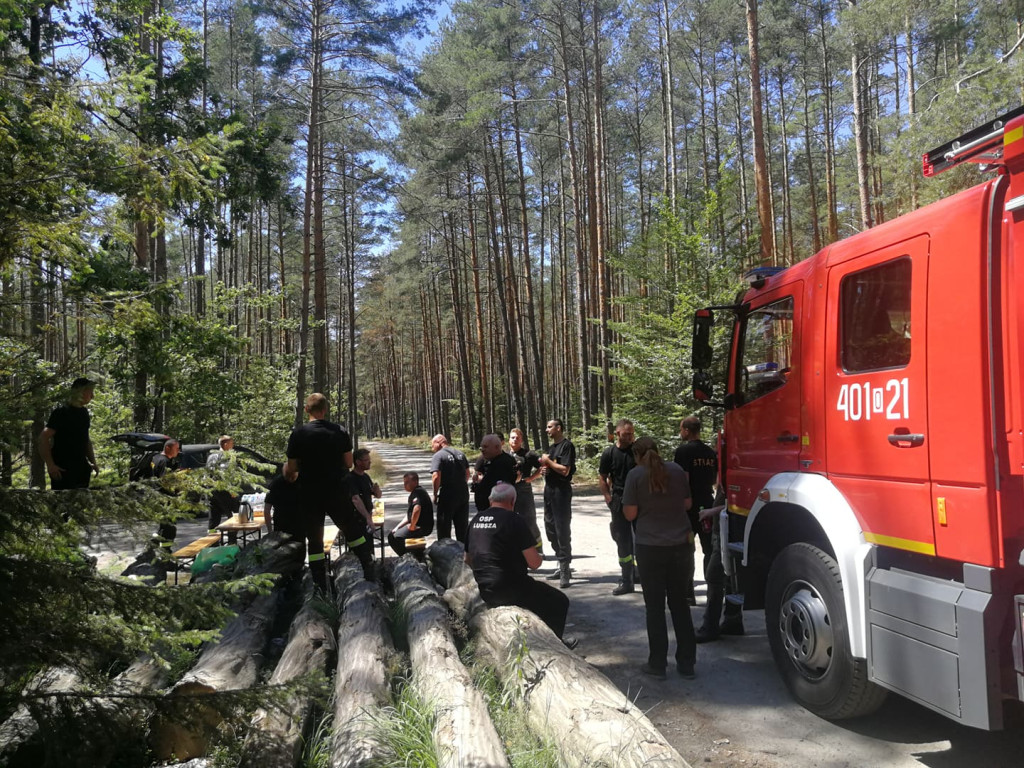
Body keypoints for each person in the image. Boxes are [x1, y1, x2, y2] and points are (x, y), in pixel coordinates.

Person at [466, 482, 576, 648]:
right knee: (559, 601)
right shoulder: (514, 519)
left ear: (490, 500)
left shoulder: (475, 520)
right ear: (512, 501)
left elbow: (467, 559)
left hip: (485, 589)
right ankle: (554, 646)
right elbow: (534, 563)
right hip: (512, 589)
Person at [622, 436, 697, 679]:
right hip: (680, 546)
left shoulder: (635, 475)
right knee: (680, 604)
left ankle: (657, 664)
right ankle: (687, 663)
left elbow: (630, 513)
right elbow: (687, 504)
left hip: (650, 546)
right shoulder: (676, 470)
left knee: (654, 608)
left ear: (636, 455)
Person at [285, 392, 354, 593]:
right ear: (325, 410)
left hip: (309, 494)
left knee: (315, 540)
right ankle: (367, 567)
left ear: (307, 410)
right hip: (336, 491)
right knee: (351, 530)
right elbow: (349, 462)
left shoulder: (298, 434)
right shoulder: (339, 431)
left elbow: (292, 468)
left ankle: (319, 585)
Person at [673, 415, 718, 604]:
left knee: (686, 550)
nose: (680, 432)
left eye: (681, 429)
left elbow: (683, 480)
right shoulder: (710, 452)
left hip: (690, 508)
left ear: (686, 430)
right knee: (709, 549)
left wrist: (680, 503)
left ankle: (687, 593)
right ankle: (712, 592)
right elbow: (716, 480)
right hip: (708, 504)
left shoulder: (683, 452)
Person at [695, 486, 745, 642]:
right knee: (730, 579)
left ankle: (709, 628)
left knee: (714, 576)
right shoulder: (724, 480)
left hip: (727, 534)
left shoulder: (730, 480)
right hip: (724, 532)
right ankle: (733, 621)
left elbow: (735, 503)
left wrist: (710, 512)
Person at [599, 419, 637, 596]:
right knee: (622, 540)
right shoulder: (609, 453)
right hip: (619, 499)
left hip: (639, 500)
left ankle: (642, 574)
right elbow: (602, 477)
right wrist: (608, 498)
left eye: (631, 434)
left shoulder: (638, 451)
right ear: (617, 433)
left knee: (642, 537)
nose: (629, 437)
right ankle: (627, 580)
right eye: (626, 434)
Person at [39, 377, 98, 490]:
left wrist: (92, 462)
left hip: (82, 469)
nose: (92, 396)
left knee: (80, 505)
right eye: (90, 392)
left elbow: (86, 439)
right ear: (80, 391)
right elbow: (43, 438)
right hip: (62, 469)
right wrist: (51, 465)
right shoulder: (61, 412)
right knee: (62, 505)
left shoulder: (84, 413)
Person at [539, 418, 576, 588]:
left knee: (562, 529)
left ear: (558, 428)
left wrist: (548, 462)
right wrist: (545, 469)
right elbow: (553, 467)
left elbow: (565, 470)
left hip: (561, 491)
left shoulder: (567, 446)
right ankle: (561, 560)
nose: (547, 430)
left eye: (549, 427)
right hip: (549, 491)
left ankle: (564, 567)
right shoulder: (552, 448)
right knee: (550, 528)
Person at [342, 447, 379, 578]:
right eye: (366, 460)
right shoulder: (350, 478)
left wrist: (377, 491)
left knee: (369, 550)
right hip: (356, 521)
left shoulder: (366, 477)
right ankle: (360, 579)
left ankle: (372, 578)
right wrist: (368, 518)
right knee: (360, 552)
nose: (369, 462)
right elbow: (356, 499)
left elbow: (376, 495)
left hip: (365, 519)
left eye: (369, 460)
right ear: (357, 462)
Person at [429, 434, 470, 542]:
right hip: (463, 493)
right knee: (462, 527)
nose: (432, 448)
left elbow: (436, 476)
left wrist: (435, 493)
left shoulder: (438, 456)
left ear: (438, 442)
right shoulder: (460, 453)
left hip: (448, 494)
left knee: (444, 527)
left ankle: (445, 554)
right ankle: (463, 554)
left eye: (432, 445)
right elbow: (467, 473)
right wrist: (460, 484)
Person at [508, 427, 543, 552]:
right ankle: (515, 550)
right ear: (508, 440)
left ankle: (538, 549)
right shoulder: (505, 456)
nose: (515, 440)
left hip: (524, 490)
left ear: (521, 440)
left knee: (529, 520)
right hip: (508, 491)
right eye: (513, 437)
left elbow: (542, 466)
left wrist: (532, 478)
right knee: (509, 521)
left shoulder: (529, 454)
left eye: (517, 438)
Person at [389, 471, 434, 556]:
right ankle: (414, 554)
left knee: (394, 538)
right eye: (404, 482)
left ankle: (406, 557)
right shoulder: (416, 492)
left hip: (422, 527)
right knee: (394, 533)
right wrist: (398, 527)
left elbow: (417, 509)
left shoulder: (418, 492)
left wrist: (412, 526)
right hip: (421, 526)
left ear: (415, 482)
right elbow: (409, 515)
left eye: (407, 482)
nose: (404, 485)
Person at [206, 435, 241, 536]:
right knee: (234, 515)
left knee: (214, 517)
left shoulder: (211, 456)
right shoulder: (226, 456)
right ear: (225, 445)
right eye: (231, 443)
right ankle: (232, 541)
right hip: (223, 491)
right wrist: (231, 490)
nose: (233, 446)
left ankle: (212, 544)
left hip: (211, 491)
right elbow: (223, 474)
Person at [473, 433, 517, 513]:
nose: (482, 449)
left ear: (497, 447)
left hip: (498, 509)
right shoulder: (486, 459)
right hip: (486, 508)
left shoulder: (503, 462)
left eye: (485, 447)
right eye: (481, 447)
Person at [150, 439, 181, 549]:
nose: (178, 451)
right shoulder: (164, 462)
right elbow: (166, 481)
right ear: (168, 448)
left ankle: (153, 545)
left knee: (163, 525)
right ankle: (166, 553)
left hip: (157, 495)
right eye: (176, 448)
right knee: (169, 527)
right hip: (165, 497)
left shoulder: (156, 458)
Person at [264, 464, 302, 539]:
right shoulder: (275, 484)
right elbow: (267, 509)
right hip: (281, 525)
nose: (290, 479)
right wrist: (270, 531)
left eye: (293, 477)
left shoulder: (302, 480)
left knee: (300, 547)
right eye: (288, 477)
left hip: (299, 525)